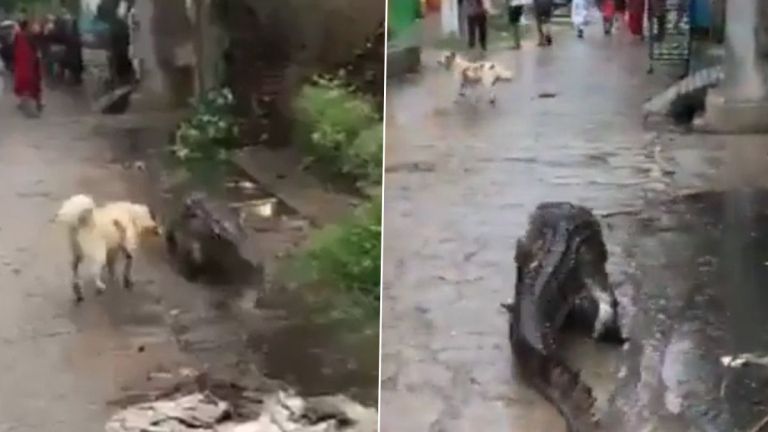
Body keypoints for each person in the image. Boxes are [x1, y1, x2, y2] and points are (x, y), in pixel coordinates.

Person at [13, 20, 43, 112]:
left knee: (22, 83)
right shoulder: (30, 36)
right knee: (34, 82)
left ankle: (23, 102)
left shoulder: (18, 36)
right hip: (31, 64)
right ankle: (38, 102)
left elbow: (14, 49)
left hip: (22, 65)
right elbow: (36, 48)